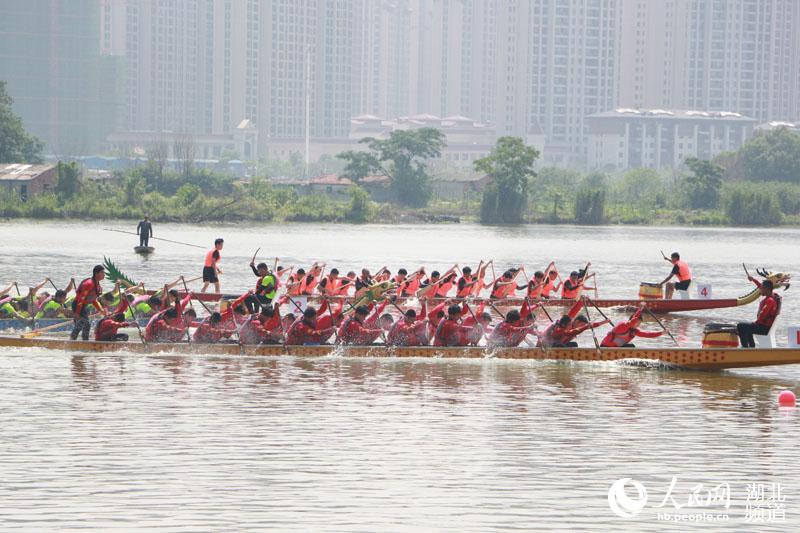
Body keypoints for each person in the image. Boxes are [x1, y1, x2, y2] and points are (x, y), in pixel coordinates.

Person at [737, 278, 780, 348]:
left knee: (740, 326)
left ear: (767, 289)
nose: (760, 290)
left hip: (764, 328)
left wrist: (755, 323)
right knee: (747, 327)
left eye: (762, 288)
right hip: (765, 326)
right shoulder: (772, 295)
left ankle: (744, 348)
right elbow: (760, 285)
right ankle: (751, 347)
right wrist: (753, 280)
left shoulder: (770, 301)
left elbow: (762, 315)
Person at [70, 265, 106, 341]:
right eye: (102, 272)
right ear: (96, 273)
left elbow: (93, 300)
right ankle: (72, 340)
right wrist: (77, 312)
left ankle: (84, 341)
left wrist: (100, 309)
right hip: (78, 305)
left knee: (86, 324)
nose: (104, 274)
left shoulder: (97, 285)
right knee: (84, 323)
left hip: (83, 306)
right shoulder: (89, 284)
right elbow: (81, 299)